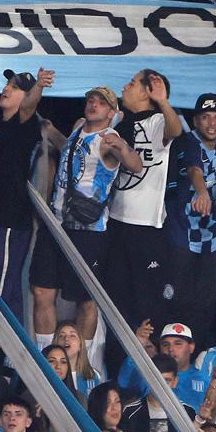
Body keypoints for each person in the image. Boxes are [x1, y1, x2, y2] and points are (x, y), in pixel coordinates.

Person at [30, 87, 142, 346]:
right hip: (55, 223)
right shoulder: (78, 127)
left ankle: (84, 362)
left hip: (87, 230)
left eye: (102, 103)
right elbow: (70, 151)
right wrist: (51, 131)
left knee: (86, 300)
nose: (94, 104)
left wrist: (122, 147)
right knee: (42, 291)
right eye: (91, 100)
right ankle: (47, 357)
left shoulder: (109, 139)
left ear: (111, 112)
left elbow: (136, 165)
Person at [103, 70, 184, 346]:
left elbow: (176, 131)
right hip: (115, 222)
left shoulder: (158, 120)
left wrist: (162, 101)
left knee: (147, 304)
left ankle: (149, 359)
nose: (125, 86)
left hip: (147, 227)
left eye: (132, 83)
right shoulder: (119, 122)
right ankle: (118, 359)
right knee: (116, 298)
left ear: (147, 92)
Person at [0, 68, 53, 318]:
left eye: (15, 87)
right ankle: (12, 342)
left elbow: (30, 106)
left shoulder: (26, 124)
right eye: (7, 84)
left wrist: (38, 86)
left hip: (9, 218)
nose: (6, 89)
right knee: (4, 288)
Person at [163, 93, 216, 342]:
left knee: (206, 304)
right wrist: (201, 192)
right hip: (182, 235)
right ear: (196, 120)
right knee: (178, 300)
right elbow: (194, 169)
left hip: (210, 238)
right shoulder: (187, 142)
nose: (212, 123)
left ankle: (197, 354)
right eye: (205, 117)